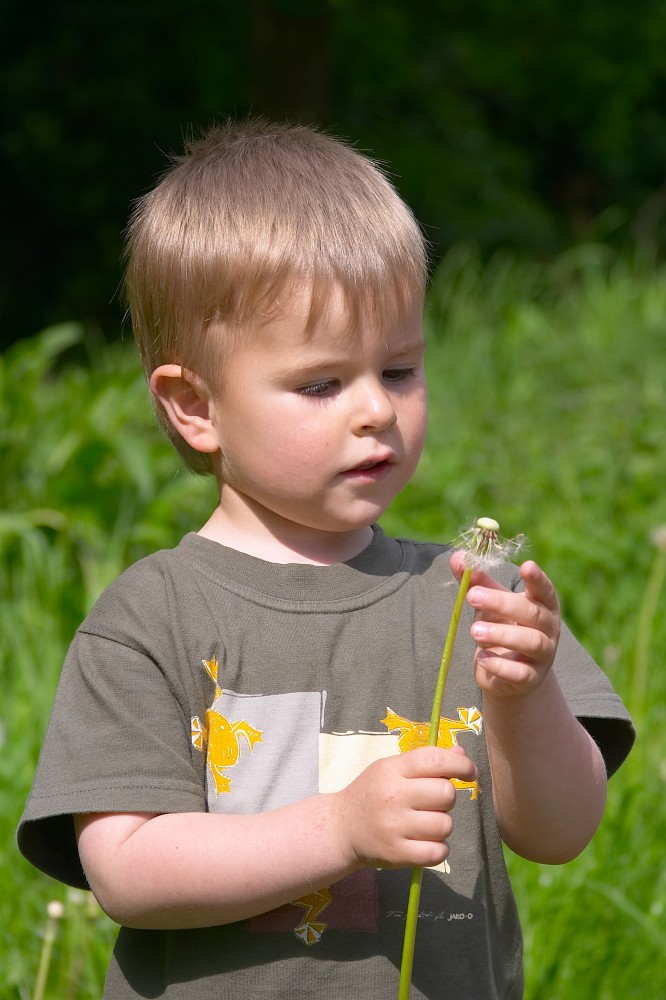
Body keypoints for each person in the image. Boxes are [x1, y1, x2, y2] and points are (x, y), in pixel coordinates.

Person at [18, 119, 634, 1000]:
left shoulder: (462, 598)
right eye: (321, 384)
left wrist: (525, 696)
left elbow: (560, 830)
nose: (375, 411)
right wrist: (339, 830)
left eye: (400, 371)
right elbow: (127, 868)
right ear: (196, 405)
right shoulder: (151, 617)